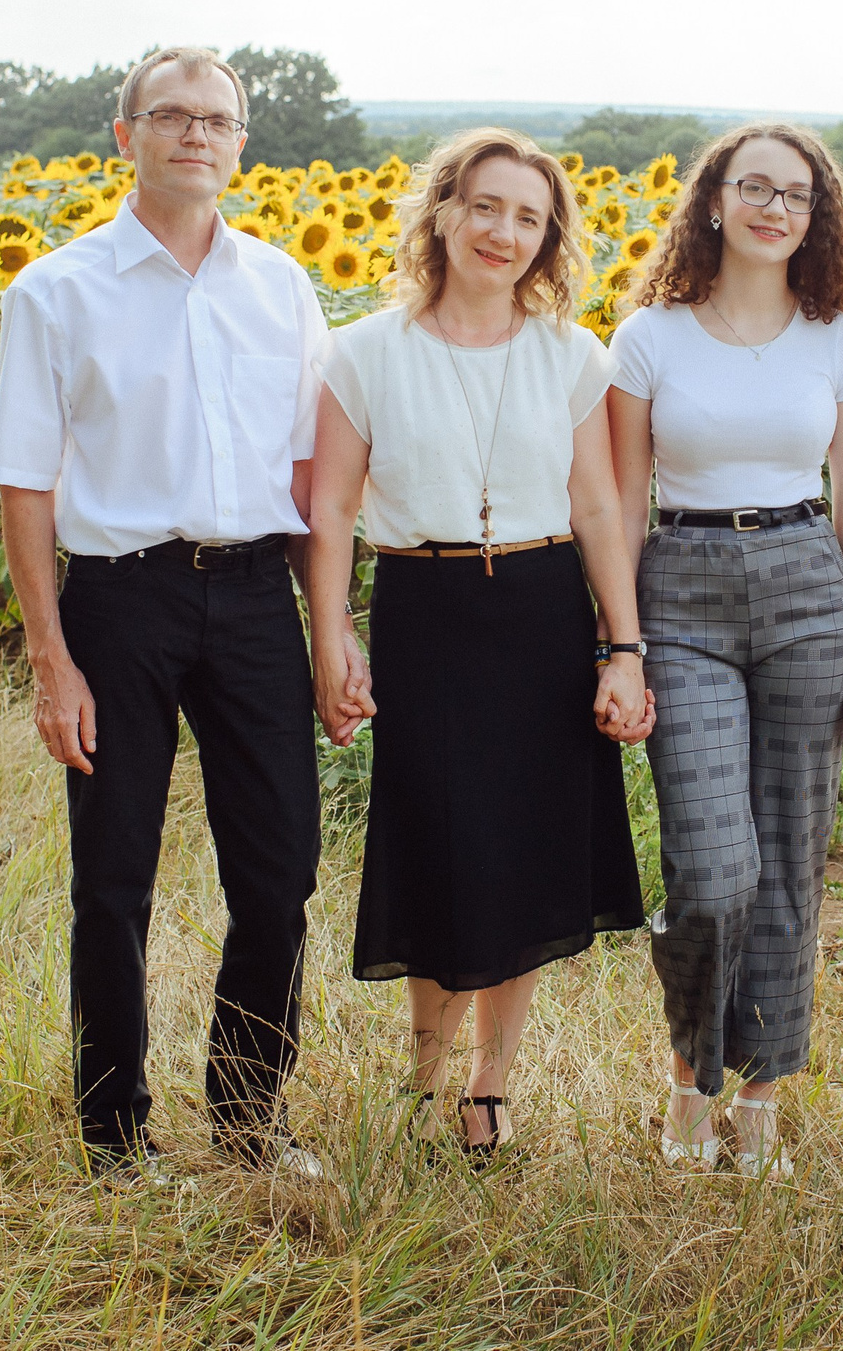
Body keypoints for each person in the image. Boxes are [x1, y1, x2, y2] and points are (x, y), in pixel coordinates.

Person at [0, 45, 327, 1183]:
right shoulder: (56, 290)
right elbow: (24, 481)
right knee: (113, 879)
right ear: (122, 137)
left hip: (253, 596)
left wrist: (332, 631)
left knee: (279, 875)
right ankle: (113, 1134)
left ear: (242, 145)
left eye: (216, 120)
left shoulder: (281, 287)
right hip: (120, 600)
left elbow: (314, 473)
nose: (195, 134)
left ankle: (247, 1121)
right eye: (169, 116)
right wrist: (51, 660)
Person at [304, 127, 655, 1164]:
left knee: (531, 854)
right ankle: (421, 1076)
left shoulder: (570, 353)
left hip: (545, 617)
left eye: (527, 217)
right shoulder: (365, 351)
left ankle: (491, 1087)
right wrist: (333, 639)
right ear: (443, 212)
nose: (504, 232)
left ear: (548, 239)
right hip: (426, 611)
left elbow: (598, 506)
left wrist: (621, 648)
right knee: (440, 848)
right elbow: (328, 512)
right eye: (486, 207)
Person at [608, 120, 843, 1179]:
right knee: (711, 872)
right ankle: (691, 1075)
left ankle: (761, 1100)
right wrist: (620, 644)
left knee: (789, 864)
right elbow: (619, 503)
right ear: (714, 202)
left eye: (798, 195)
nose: (776, 208)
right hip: (678, 592)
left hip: (806, 588)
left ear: (815, 217)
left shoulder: (840, 342)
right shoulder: (648, 336)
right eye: (756, 188)